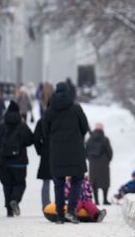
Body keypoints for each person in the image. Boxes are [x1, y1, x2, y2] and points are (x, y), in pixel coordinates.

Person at [42, 82, 90, 224]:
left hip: (57, 152)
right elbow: (85, 127)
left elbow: (45, 131)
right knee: (77, 180)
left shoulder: (50, 110)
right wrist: (77, 137)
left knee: (58, 183)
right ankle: (71, 211)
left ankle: (59, 216)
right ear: (69, 92)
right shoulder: (76, 108)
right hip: (75, 151)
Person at [0, 101, 34, 217]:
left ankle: (9, 211)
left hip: (4, 163)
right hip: (19, 163)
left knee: (7, 185)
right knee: (20, 184)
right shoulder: (22, 126)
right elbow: (30, 140)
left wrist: (2, 149)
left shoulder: (1, 125)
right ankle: (15, 199)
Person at [85, 122, 113, 205]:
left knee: (94, 182)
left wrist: (90, 159)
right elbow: (110, 152)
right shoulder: (105, 139)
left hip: (93, 164)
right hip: (104, 164)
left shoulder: (89, 140)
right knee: (105, 182)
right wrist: (107, 160)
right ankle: (105, 199)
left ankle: (96, 201)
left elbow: (86, 152)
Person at [33, 117, 52, 210]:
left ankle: (46, 205)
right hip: (61, 152)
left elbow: (36, 137)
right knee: (61, 180)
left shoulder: (42, 120)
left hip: (46, 152)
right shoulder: (61, 118)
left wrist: (40, 150)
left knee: (46, 180)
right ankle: (61, 204)